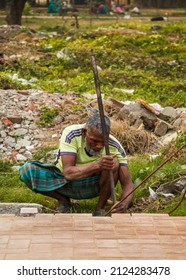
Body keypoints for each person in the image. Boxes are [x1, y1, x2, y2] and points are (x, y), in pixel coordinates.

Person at [19, 114, 134, 215]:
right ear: (84, 133)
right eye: (94, 141)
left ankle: (100, 207)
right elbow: (68, 174)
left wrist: (124, 203)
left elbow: (127, 183)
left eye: (103, 141)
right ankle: (63, 200)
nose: (99, 146)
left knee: (114, 163)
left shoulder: (114, 146)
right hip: (62, 182)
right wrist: (97, 165)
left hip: (93, 185)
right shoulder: (71, 134)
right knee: (27, 170)